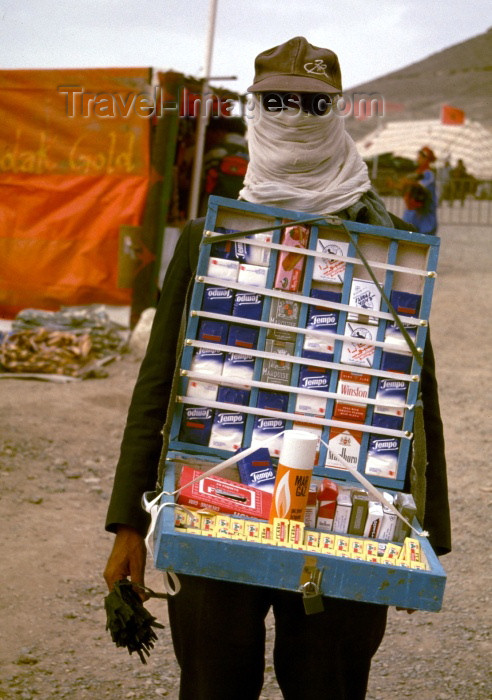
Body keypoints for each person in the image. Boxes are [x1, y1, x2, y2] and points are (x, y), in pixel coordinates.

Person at [104, 37, 451, 700]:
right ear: (257, 109)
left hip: (344, 512)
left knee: (329, 682)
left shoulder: (380, 236)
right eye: (277, 102)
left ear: (336, 112)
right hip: (210, 494)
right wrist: (128, 518)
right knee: (212, 683)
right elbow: (158, 380)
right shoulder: (216, 231)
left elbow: (413, 392)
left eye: (311, 103)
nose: (294, 116)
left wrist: (421, 528)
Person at [402, 146, 438, 234]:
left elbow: (421, 185)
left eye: (420, 157)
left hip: (424, 211)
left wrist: (408, 182)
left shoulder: (429, 174)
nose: (418, 158)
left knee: (424, 236)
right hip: (413, 210)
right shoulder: (417, 172)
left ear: (426, 159)